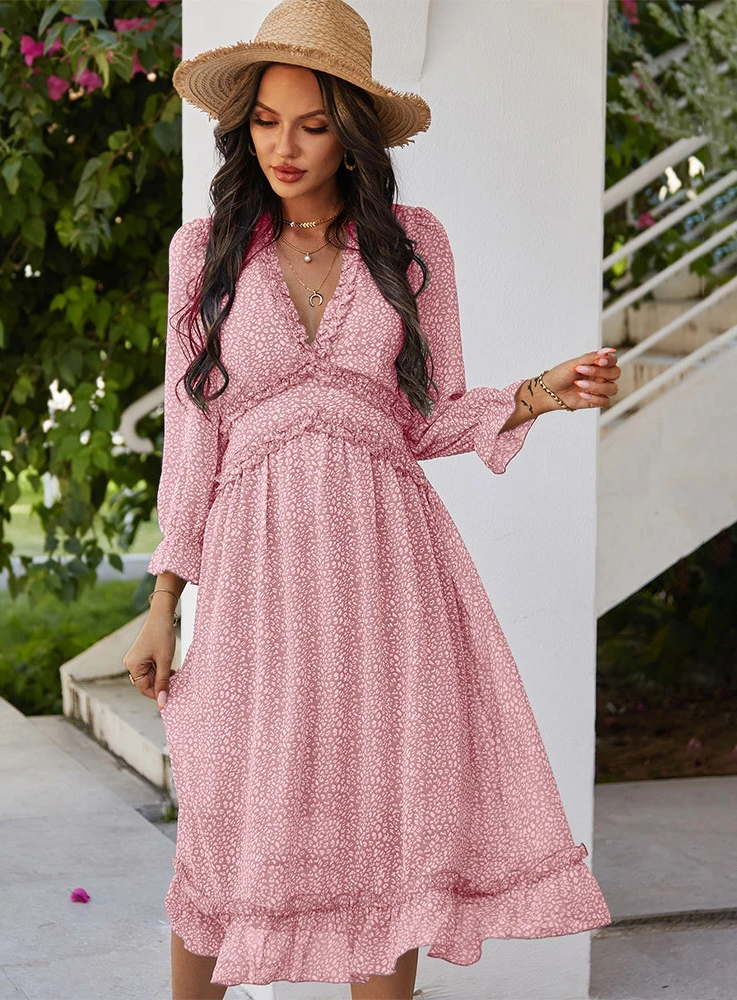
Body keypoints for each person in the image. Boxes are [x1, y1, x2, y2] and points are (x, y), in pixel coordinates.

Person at [123, 1, 618, 997]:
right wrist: (165, 597)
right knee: (229, 820)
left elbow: (421, 419)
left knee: (390, 820)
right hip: (258, 572)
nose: (284, 147)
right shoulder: (203, 253)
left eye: (311, 125)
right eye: (266, 122)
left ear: (350, 132)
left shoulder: (411, 243)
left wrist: (537, 394)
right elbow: (193, 438)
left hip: (388, 574)